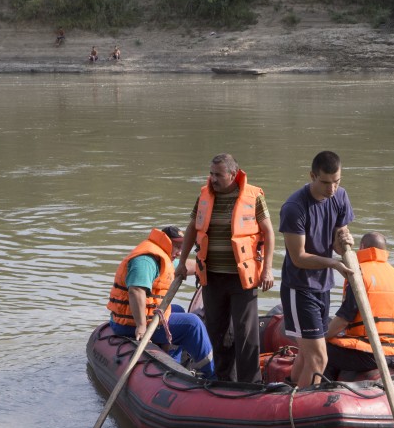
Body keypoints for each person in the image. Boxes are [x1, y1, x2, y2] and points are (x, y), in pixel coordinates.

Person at [175, 154, 275, 383]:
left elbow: (268, 232)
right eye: (211, 173)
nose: (212, 178)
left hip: (242, 277)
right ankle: (224, 380)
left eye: (218, 174)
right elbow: (192, 229)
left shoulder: (253, 196)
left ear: (232, 174)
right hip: (211, 275)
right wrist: (182, 263)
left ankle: (251, 382)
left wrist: (267, 270)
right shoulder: (204, 195)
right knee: (218, 331)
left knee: (246, 333)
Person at [279, 150, 354, 387]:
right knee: (319, 358)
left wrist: (343, 243)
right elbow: (299, 257)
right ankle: (299, 413)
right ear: (312, 175)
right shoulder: (294, 207)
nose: (331, 189)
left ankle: (289, 390)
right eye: (325, 182)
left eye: (336, 182)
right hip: (299, 287)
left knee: (306, 354)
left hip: (323, 286)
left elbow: (337, 242)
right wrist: (333, 263)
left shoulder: (340, 197)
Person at [107, 226, 214, 378]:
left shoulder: (163, 256)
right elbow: (136, 291)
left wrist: (206, 265)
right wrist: (141, 326)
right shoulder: (146, 260)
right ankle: (212, 374)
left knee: (177, 309)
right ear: (165, 243)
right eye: (176, 247)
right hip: (129, 324)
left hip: (135, 318)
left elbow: (186, 266)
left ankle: (172, 362)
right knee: (192, 324)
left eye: (181, 248)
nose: (179, 252)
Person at [323, 232, 394, 381]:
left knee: (316, 349)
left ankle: (318, 391)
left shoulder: (360, 274)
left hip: (366, 352)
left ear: (362, 247)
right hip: (390, 353)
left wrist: (321, 337)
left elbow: (344, 319)